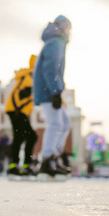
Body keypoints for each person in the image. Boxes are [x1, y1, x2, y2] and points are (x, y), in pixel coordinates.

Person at [33, 15, 72, 176]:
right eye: (69, 29)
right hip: (48, 91)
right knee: (55, 124)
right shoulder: (56, 41)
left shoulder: (55, 41)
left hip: (49, 90)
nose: (70, 33)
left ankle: (53, 158)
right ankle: (47, 159)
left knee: (65, 123)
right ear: (63, 27)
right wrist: (56, 91)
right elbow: (50, 68)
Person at [5, 55, 38, 176]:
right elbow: (21, 94)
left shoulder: (29, 75)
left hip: (17, 110)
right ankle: (21, 165)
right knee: (30, 136)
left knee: (22, 136)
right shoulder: (30, 76)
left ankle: (18, 165)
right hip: (16, 110)